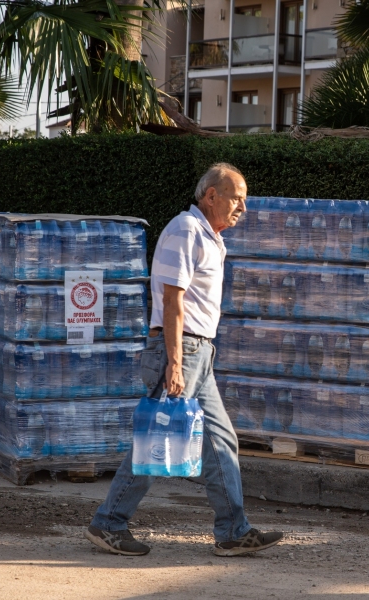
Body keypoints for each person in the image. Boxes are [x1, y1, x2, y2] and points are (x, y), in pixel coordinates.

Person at [86, 163, 284, 557]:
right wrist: (174, 363)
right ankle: (108, 523)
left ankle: (233, 531)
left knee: (221, 441)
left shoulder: (211, 238)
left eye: (246, 200)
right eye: (236, 198)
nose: (243, 207)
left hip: (200, 353)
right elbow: (172, 300)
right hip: (182, 350)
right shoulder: (186, 229)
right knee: (156, 441)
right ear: (211, 195)